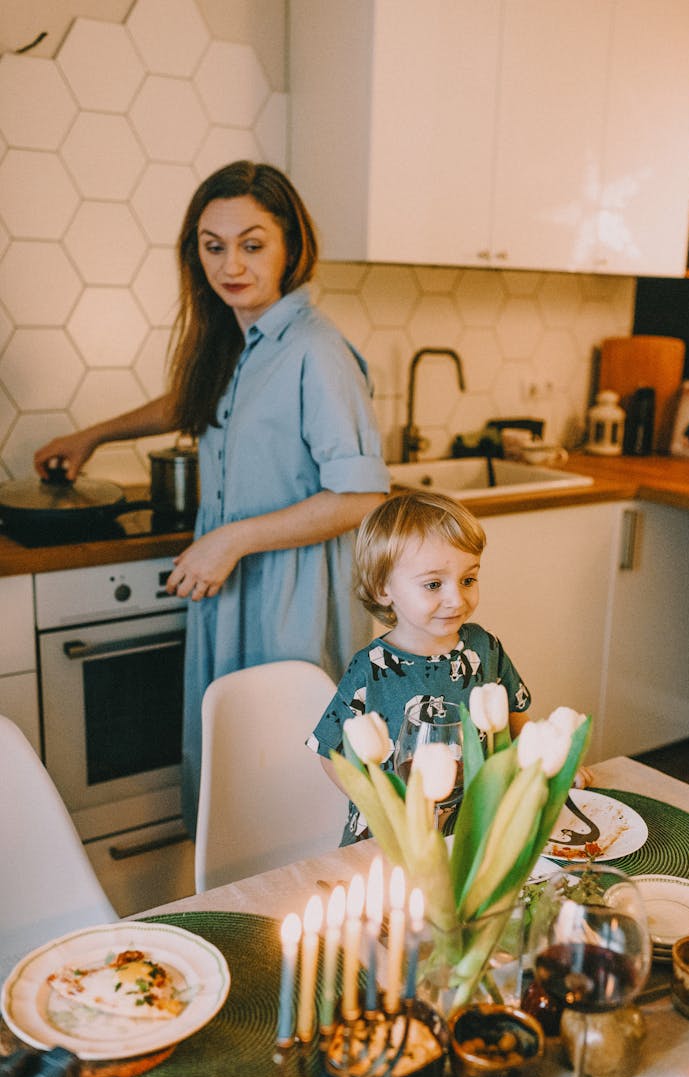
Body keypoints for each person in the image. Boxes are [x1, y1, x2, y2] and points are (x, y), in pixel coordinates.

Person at [34, 160, 390, 837]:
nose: (231, 263)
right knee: (237, 776)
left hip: (290, 597)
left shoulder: (316, 349)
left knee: (289, 786)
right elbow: (193, 402)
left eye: (252, 244)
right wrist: (94, 435)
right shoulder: (238, 339)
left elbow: (363, 496)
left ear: (291, 246)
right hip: (231, 589)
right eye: (212, 244)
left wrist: (230, 538)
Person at [307, 489, 533, 845]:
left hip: (472, 835)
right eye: (433, 584)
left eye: (468, 579)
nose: (456, 598)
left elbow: (518, 717)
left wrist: (548, 764)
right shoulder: (368, 668)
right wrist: (377, 804)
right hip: (391, 842)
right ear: (384, 589)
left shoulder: (484, 647)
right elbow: (330, 752)